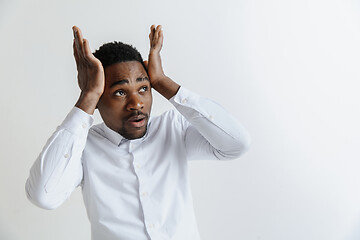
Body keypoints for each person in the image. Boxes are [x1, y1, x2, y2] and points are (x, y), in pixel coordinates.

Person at [25, 25, 251, 240]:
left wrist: (162, 81)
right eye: (120, 92)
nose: (136, 103)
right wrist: (88, 96)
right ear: (99, 97)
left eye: (143, 88)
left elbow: (236, 144)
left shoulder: (173, 128)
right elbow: (44, 196)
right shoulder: (83, 147)